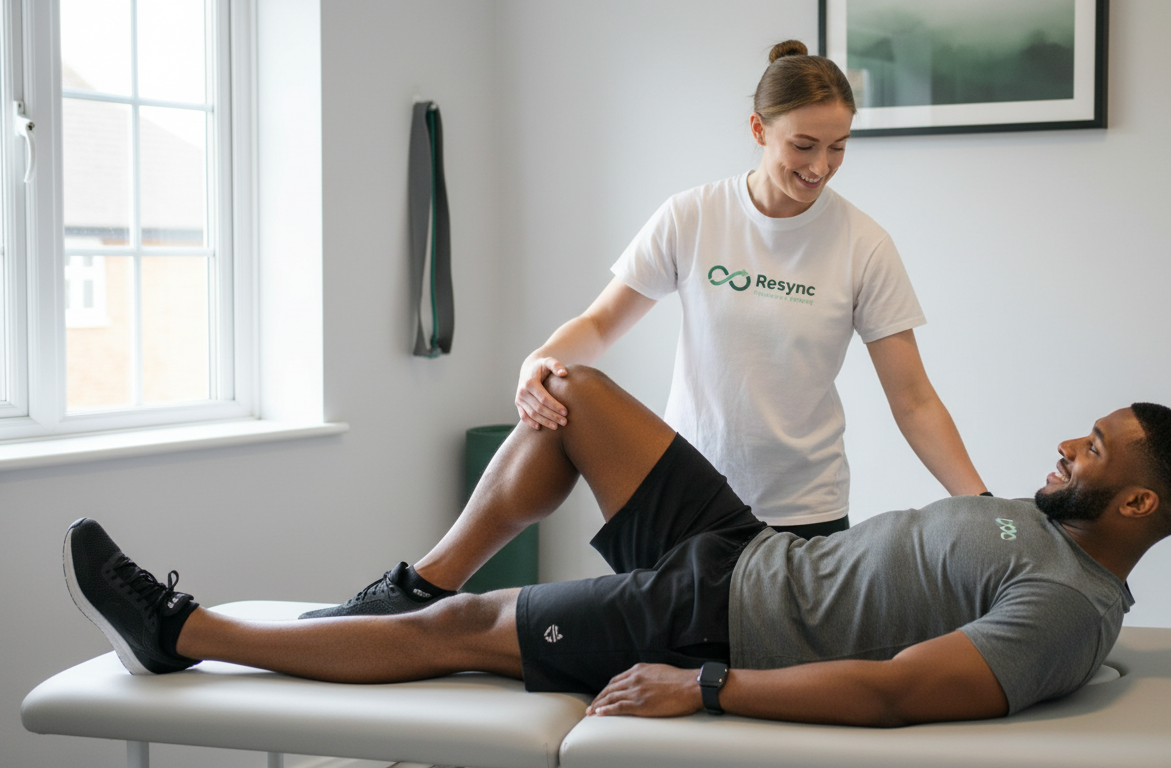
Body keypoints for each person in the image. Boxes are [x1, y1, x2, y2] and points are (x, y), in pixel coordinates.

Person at [64, 366, 1171, 727]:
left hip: (721, 620)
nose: (1068, 445)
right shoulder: (1045, 524)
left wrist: (708, 686)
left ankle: (183, 630)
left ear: (1138, 505)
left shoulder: (1069, 608)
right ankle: (413, 578)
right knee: (573, 396)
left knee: (462, 634)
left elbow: (900, 690)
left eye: (1094, 449)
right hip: (748, 550)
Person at [302, 39, 988, 619]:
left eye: (838, 148)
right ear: (758, 130)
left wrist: (986, 508)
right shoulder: (694, 216)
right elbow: (602, 322)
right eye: (803, 145)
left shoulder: (863, 244)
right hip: (684, 501)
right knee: (564, 386)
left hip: (801, 520)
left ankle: (422, 592)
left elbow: (914, 401)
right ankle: (422, 589)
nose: (820, 167)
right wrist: (538, 360)